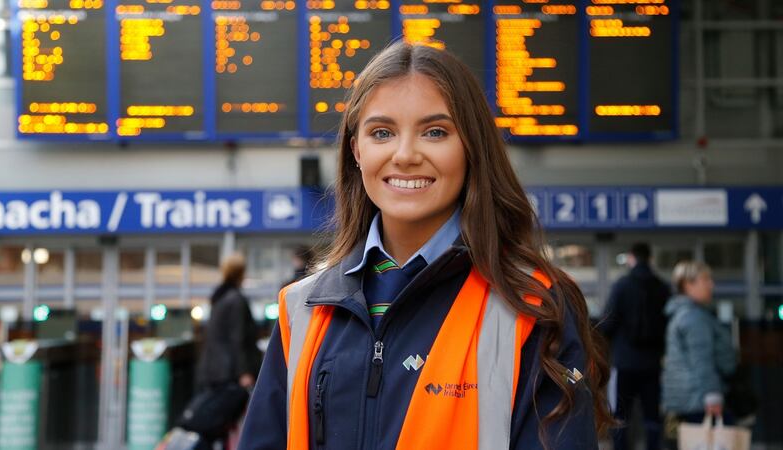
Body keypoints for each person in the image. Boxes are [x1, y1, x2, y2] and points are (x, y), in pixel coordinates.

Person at [238, 41, 613, 450]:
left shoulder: (531, 306)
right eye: (382, 132)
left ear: (472, 147)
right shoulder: (302, 309)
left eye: (435, 132)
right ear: (356, 150)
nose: (405, 155)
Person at [599, 243, 671, 450]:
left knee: (620, 415)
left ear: (631, 259)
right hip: (653, 364)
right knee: (652, 417)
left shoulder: (622, 285)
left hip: (624, 363)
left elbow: (607, 323)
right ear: (650, 259)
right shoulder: (662, 287)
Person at [195, 252, 263, 445]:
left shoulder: (219, 297)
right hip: (230, 374)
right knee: (230, 426)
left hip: (214, 372)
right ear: (241, 272)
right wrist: (245, 372)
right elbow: (238, 339)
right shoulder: (235, 300)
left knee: (217, 425)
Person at [662, 261, 736, 427]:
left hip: (688, 399)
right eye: (705, 279)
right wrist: (713, 394)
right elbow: (702, 360)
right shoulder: (693, 318)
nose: (711, 284)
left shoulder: (681, 314)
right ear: (688, 285)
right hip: (700, 400)